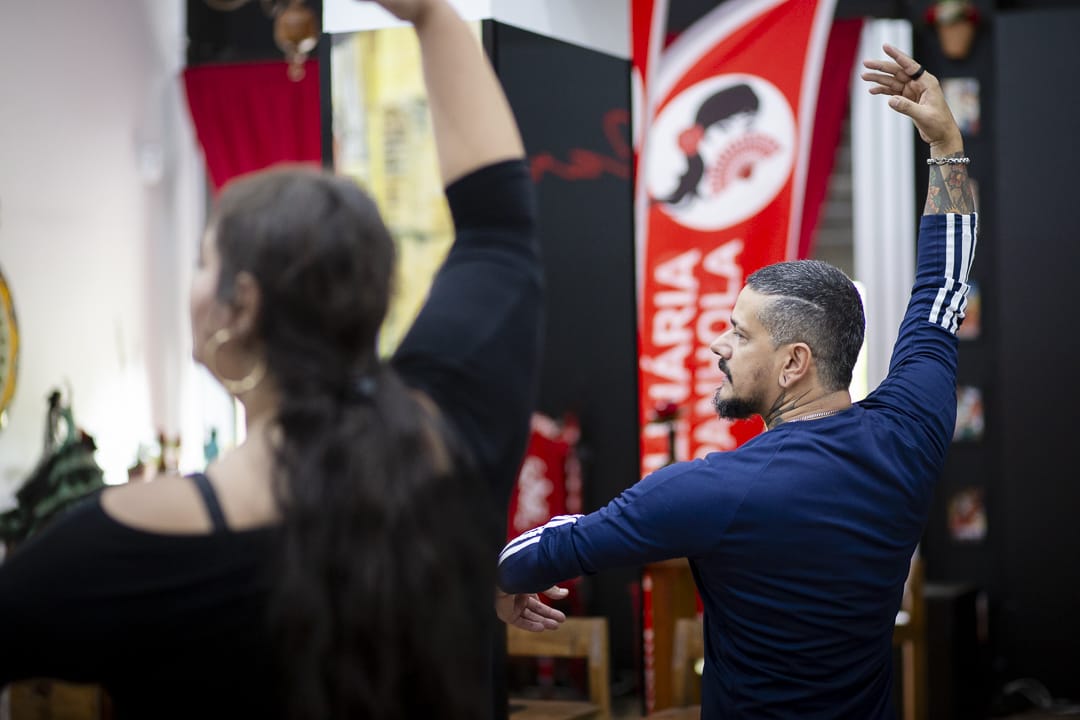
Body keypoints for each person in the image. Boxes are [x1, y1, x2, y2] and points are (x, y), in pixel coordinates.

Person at [0, 1, 555, 718]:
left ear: (243, 304)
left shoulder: (135, 540)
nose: (191, 287)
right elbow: (499, 227)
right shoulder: (449, 434)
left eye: (203, 263)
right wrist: (432, 17)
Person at [497, 44, 977, 718]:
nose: (717, 343)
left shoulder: (715, 490)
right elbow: (943, 291)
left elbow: (545, 550)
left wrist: (504, 582)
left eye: (740, 332)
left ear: (794, 363)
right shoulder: (911, 434)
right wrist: (946, 144)